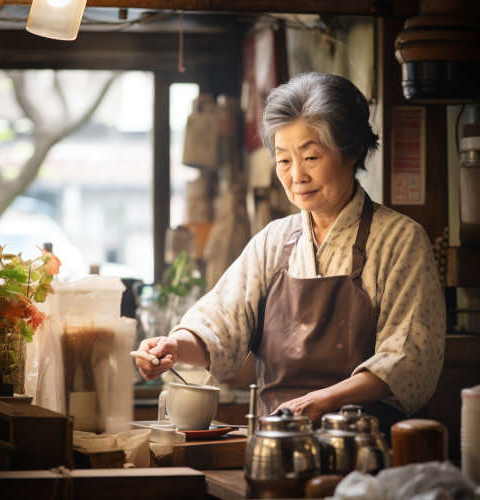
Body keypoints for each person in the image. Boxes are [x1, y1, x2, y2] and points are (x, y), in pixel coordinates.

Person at [135, 72, 445, 435]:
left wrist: (321, 402)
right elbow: (219, 326)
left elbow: (408, 361)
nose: (296, 175)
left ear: (353, 150)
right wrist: (173, 346)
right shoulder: (273, 241)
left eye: (311, 157)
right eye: (284, 161)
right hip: (279, 444)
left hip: (368, 450)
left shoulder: (401, 240)